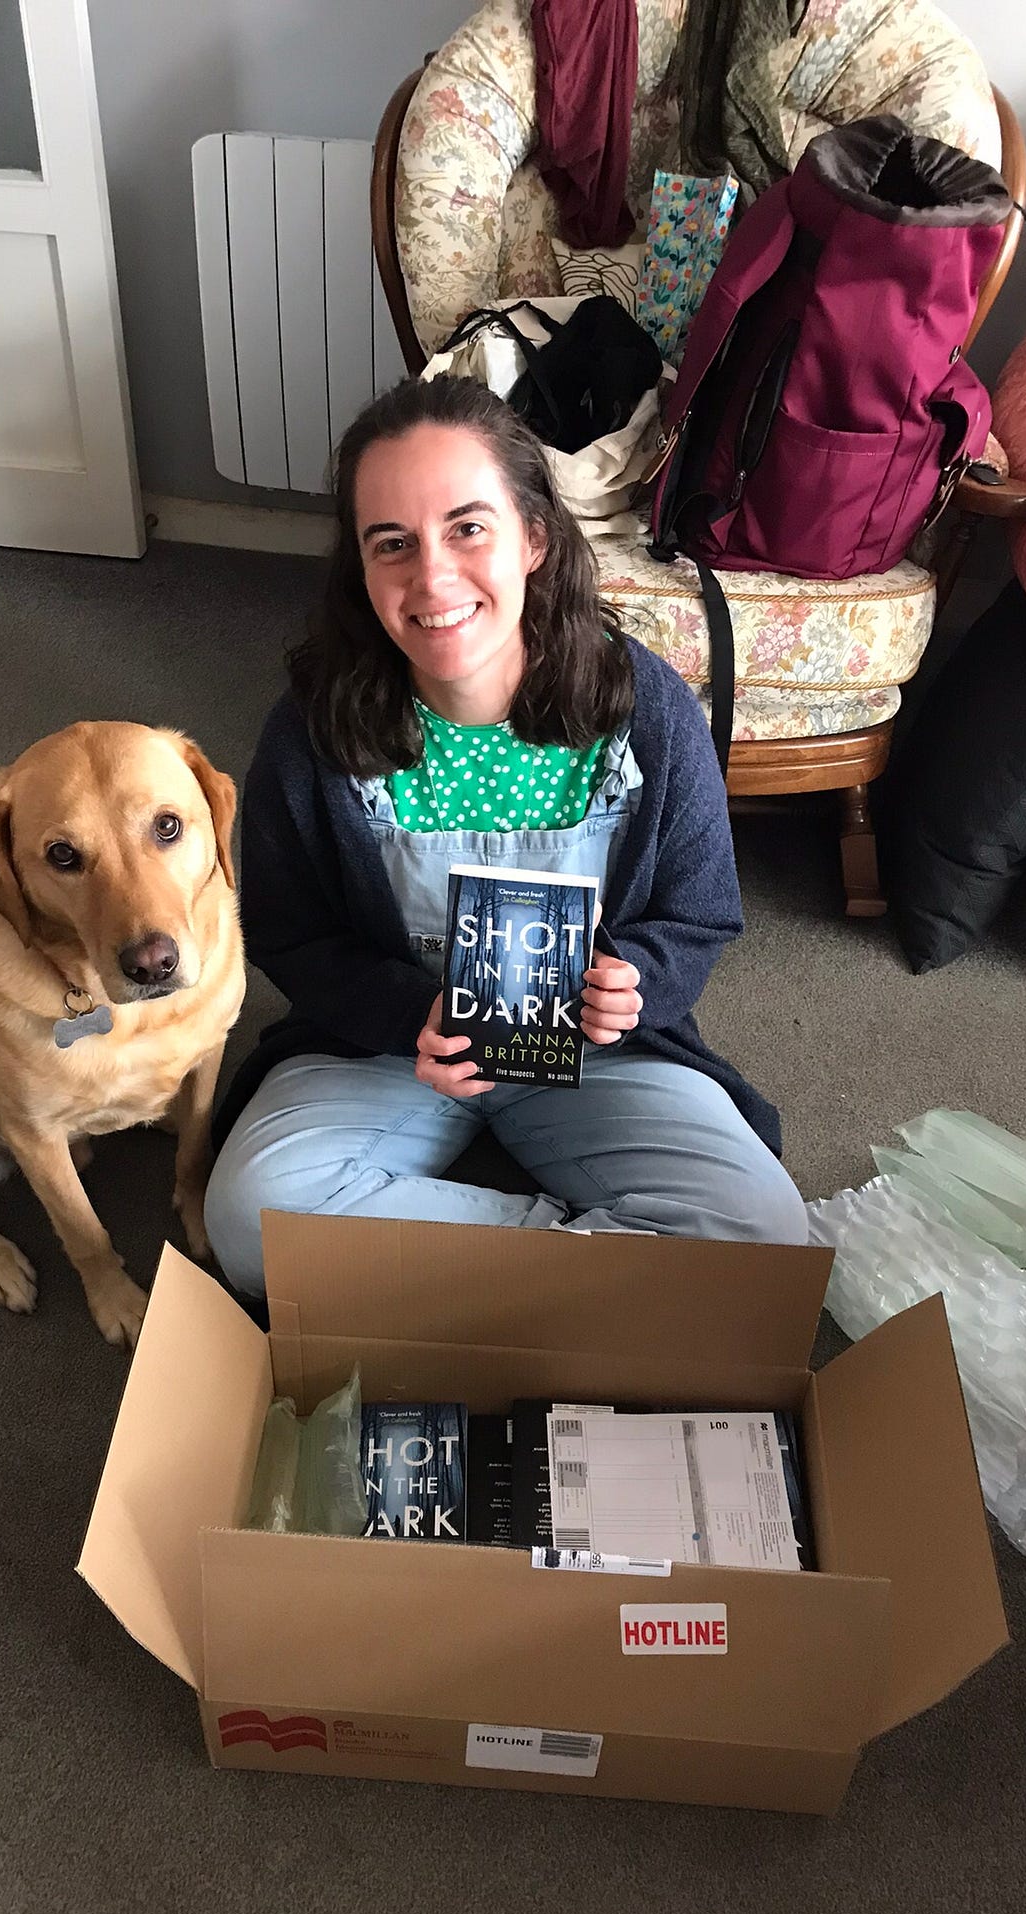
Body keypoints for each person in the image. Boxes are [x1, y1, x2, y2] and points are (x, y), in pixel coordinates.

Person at [203, 376, 807, 1297]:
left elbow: (700, 913)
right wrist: (406, 1013)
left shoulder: (647, 711)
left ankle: (453, 1271)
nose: (432, 577)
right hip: (390, 1055)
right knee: (247, 1220)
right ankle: (580, 1266)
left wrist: (638, 981)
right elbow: (288, 934)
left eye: (467, 528)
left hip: (598, 1057)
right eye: (392, 543)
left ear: (535, 538)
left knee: (767, 1228)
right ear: (359, 570)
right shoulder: (312, 730)